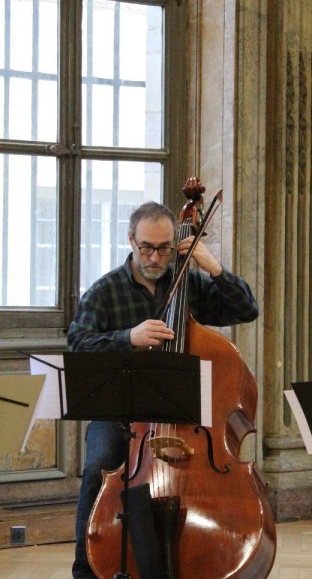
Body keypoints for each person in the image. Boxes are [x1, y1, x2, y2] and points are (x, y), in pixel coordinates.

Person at [68, 201, 260, 579]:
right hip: (122, 412)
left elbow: (246, 309)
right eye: (146, 248)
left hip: (184, 414)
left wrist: (215, 268)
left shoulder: (188, 281)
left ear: (176, 245)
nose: (155, 257)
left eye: (165, 248)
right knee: (99, 464)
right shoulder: (105, 291)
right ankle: (86, 569)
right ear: (131, 241)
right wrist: (128, 337)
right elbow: (77, 345)